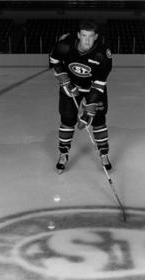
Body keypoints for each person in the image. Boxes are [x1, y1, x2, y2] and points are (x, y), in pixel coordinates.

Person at [49, 19, 113, 173]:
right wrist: (64, 80)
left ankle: (104, 154)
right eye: (84, 36)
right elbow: (54, 60)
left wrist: (89, 110)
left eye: (91, 36)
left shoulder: (103, 55)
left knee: (98, 121)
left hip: (93, 88)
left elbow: (99, 84)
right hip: (71, 86)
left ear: (96, 36)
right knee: (67, 120)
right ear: (78, 35)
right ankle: (63, 154)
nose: (87, 40)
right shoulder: (64, 45)